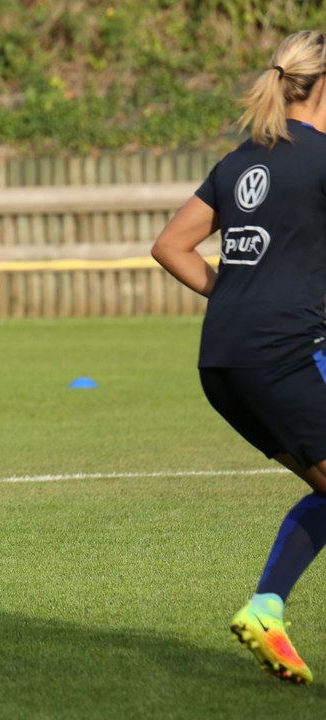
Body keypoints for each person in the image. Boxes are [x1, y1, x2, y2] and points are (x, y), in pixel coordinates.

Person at [152, 30, 326, 685]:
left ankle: (266, 607)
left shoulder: (237, 162)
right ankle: (263, 606)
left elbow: (170, 245)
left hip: (221, 362)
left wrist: (234, 297)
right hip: (281, 354)